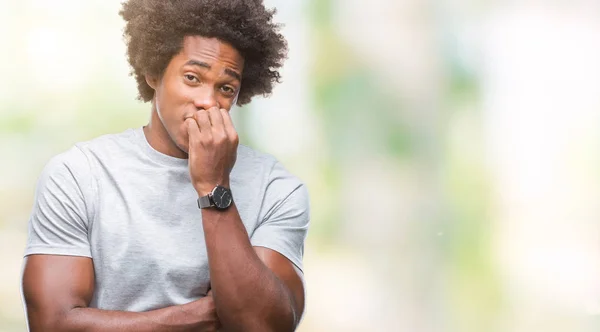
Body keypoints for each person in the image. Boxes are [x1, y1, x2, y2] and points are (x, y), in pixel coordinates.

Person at [21, 1, 309, 331]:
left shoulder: (277, 189)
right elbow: (53, 324)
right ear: (154, 72)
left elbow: (262, 325)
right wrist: (202, 314)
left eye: (225, 88)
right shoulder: (78, 174)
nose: (207, 101)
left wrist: (214, 187)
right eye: (192, 77)